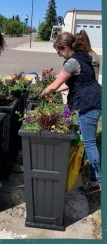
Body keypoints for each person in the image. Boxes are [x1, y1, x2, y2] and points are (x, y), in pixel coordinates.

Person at [41, 32, 101, 195]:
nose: (59, 54)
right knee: (88, 140)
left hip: (89, 104)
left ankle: (97, 181)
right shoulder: (82, 57)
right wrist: (52, 89)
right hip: (94, 99)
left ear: (65, 47)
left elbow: (55, 84)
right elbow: (68, 84)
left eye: (59, 50)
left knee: (89, 143)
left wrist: (44, 91)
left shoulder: (72, 62)